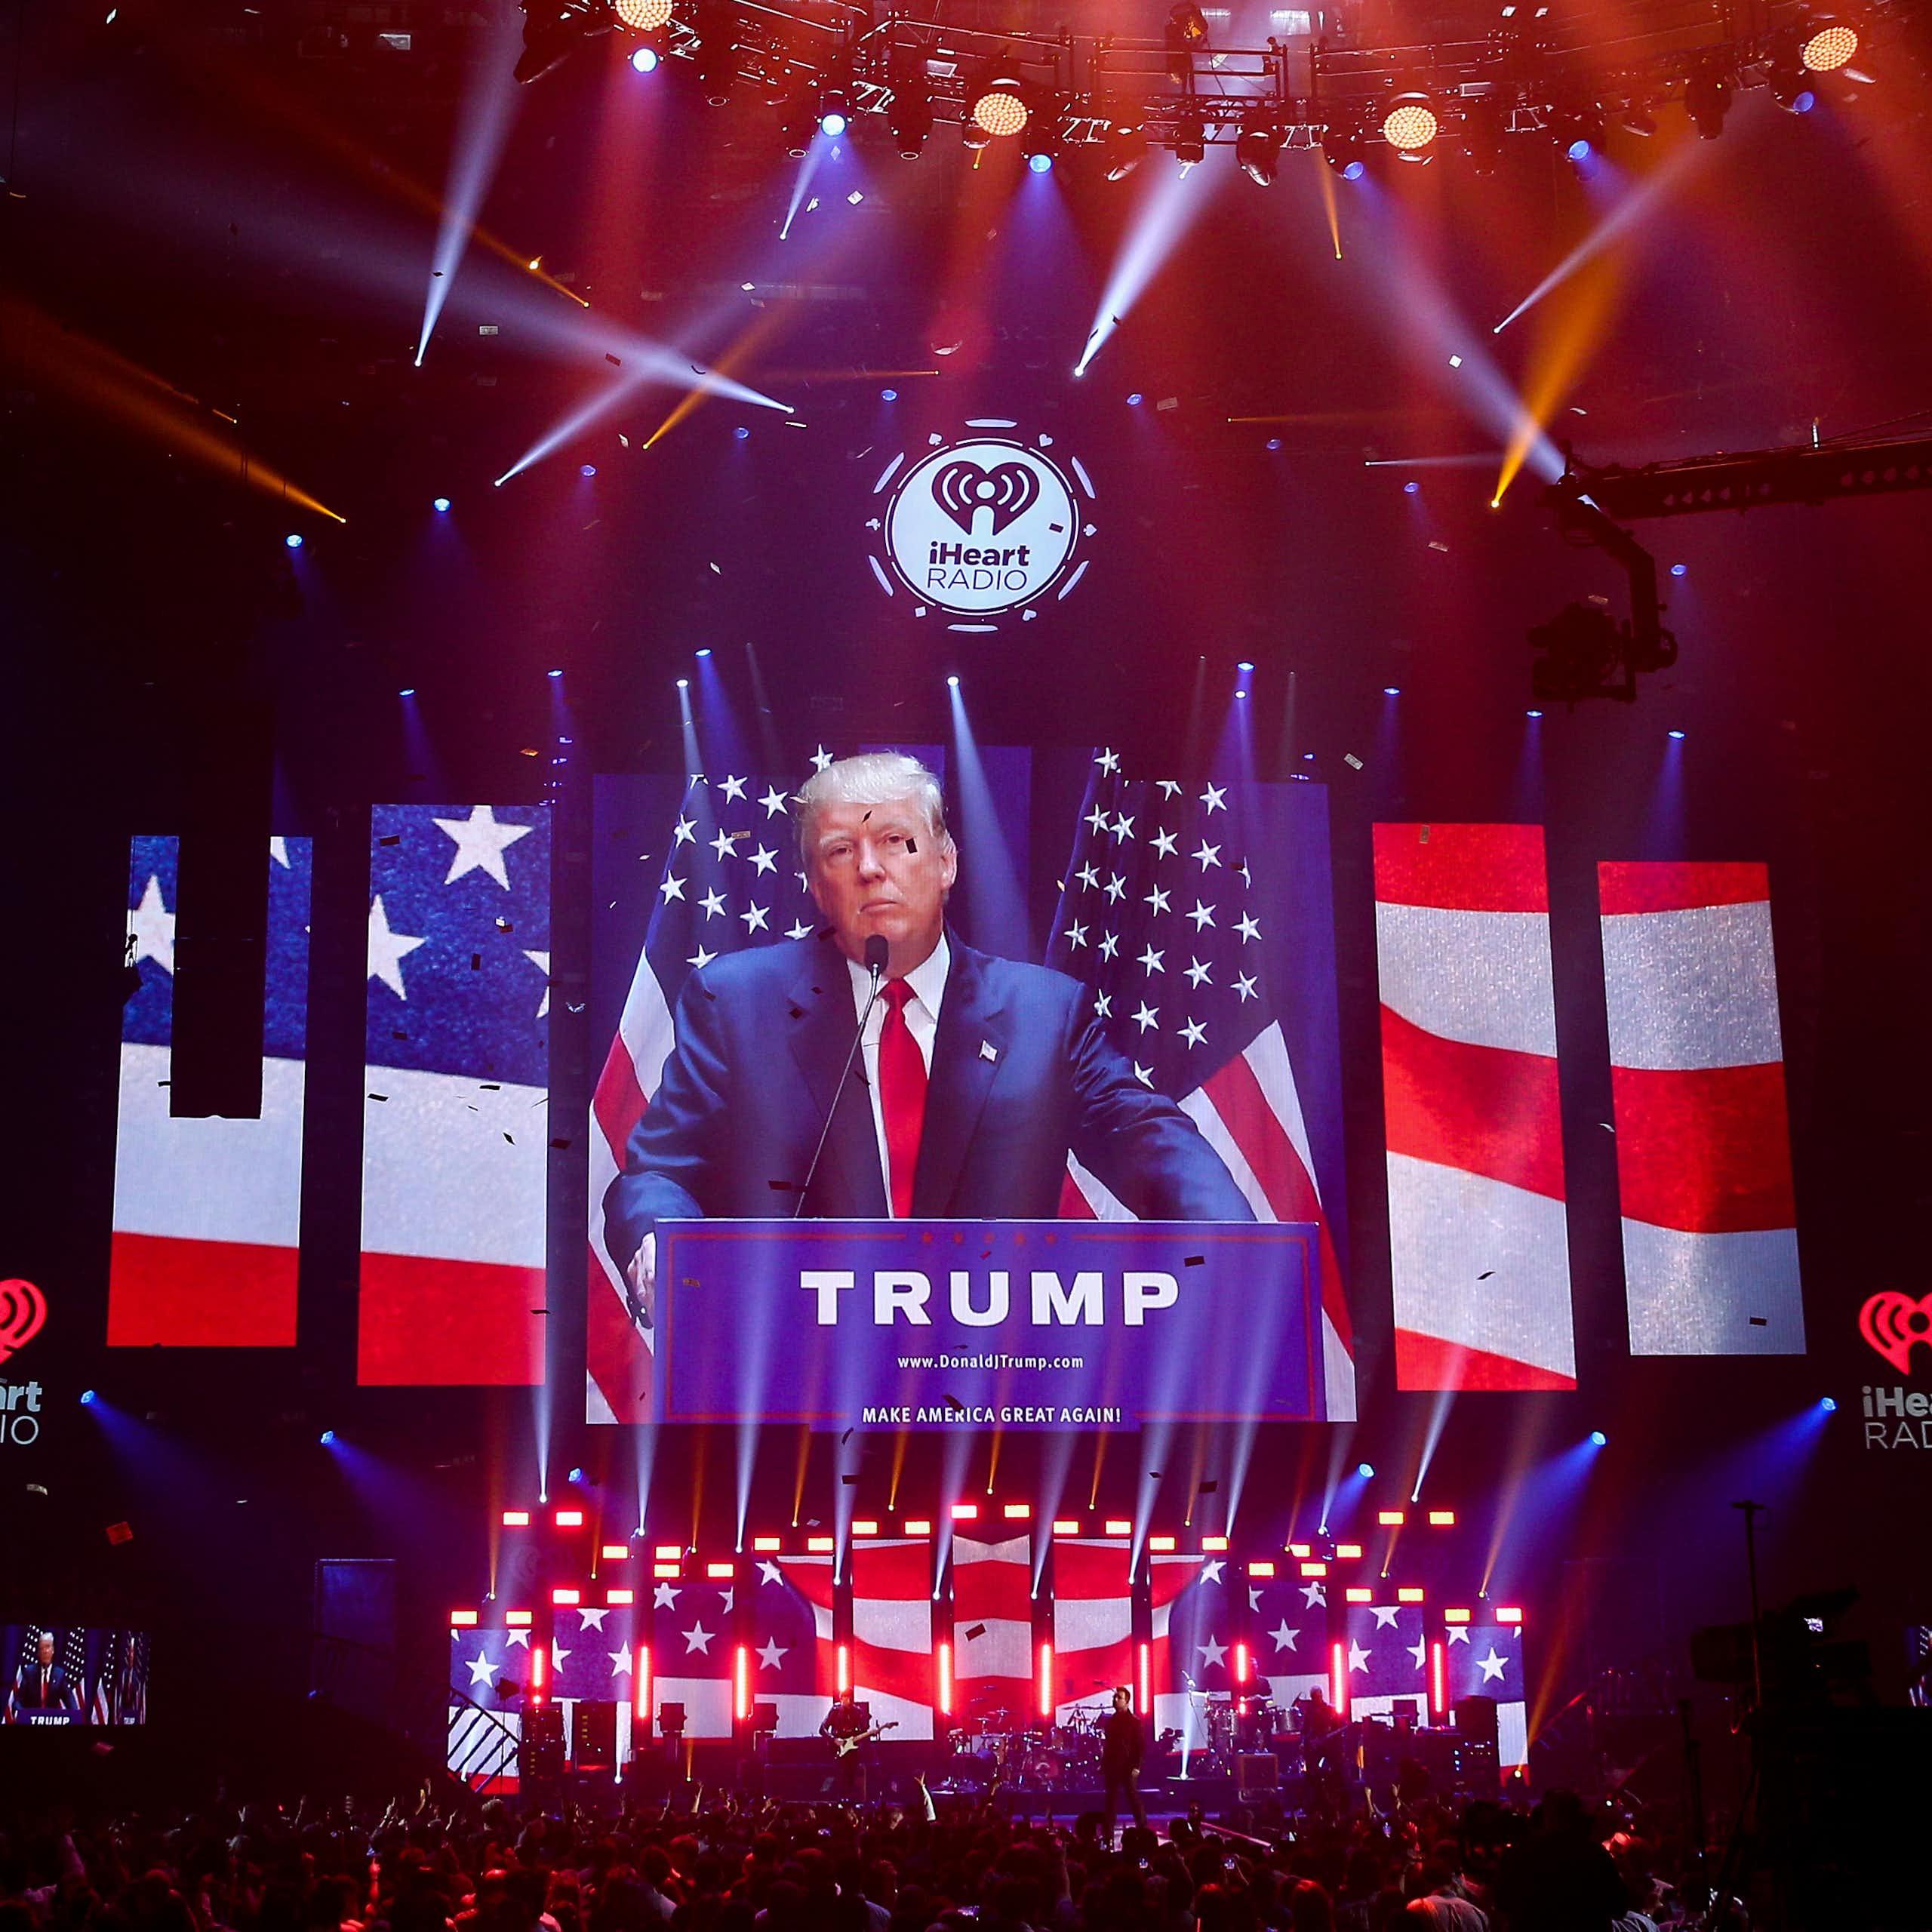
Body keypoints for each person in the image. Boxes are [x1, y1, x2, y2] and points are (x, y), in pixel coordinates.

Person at [604, 753, 1254, 1308]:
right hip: (797, 1371)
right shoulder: (735, 1003)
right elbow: (657, 1174)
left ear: (945, 863)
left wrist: (1235, 1244)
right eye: (840, 850)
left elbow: (1148, 1138)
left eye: (896, 840)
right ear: (816, 887)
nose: (869, 867)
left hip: (996, 1373)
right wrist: (661, 1243)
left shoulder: (1044, 1014)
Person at [1100, 1687, 1148, 1838]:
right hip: (1112, 1766)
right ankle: (1108, 1833)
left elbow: (1140, 1746)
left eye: (1119, 1698)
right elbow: (1107, 1745)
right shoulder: (1110, 1722)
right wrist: (1104, 1764)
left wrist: (1137, 1766)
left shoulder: (1134, 1722)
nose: (1115, 1700)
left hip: (1128, 1766)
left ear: (1126, 1702)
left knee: (1133, 1797)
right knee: (1110, 1800)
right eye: (1114, 1697)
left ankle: (1143, 1829)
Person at [819, 1690, 874, 1803]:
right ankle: (839, 1798)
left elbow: (863, 1730)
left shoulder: (858, 1712)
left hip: (853, 1748)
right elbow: (822, 1729)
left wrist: (868, 1733)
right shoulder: (835, 1711)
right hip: (837, 1748)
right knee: (840, 1773)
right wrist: (834, 1739)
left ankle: (850, 1798)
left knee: (851, 1773)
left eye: (848, 1699)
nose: (845, 1701)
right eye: (844, 1698)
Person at [8, 1632, 78, 1718]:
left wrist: (75, 1715)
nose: (45, 1651)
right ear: (38, 1653)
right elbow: (18, 1701)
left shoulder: (59, 1674)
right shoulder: (29, 1672)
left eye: (48, 1647)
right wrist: (22, 1714)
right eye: (42, 1648)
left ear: (53, 1650)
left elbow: (70, 1700)